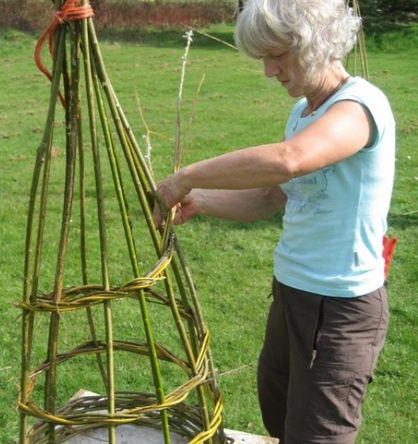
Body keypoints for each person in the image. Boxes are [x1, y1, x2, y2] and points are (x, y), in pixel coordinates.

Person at [154, 0, 395, 443]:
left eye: (277, 55)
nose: (269, 70)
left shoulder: (360, 106)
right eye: (264, 57)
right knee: (280, 417)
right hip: (291, 294)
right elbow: (271, 196)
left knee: (318, 434)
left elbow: (290, 161)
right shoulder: (304, 112)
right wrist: (201, 200)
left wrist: (186, 177)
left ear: (316, 43)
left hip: (340, 307)